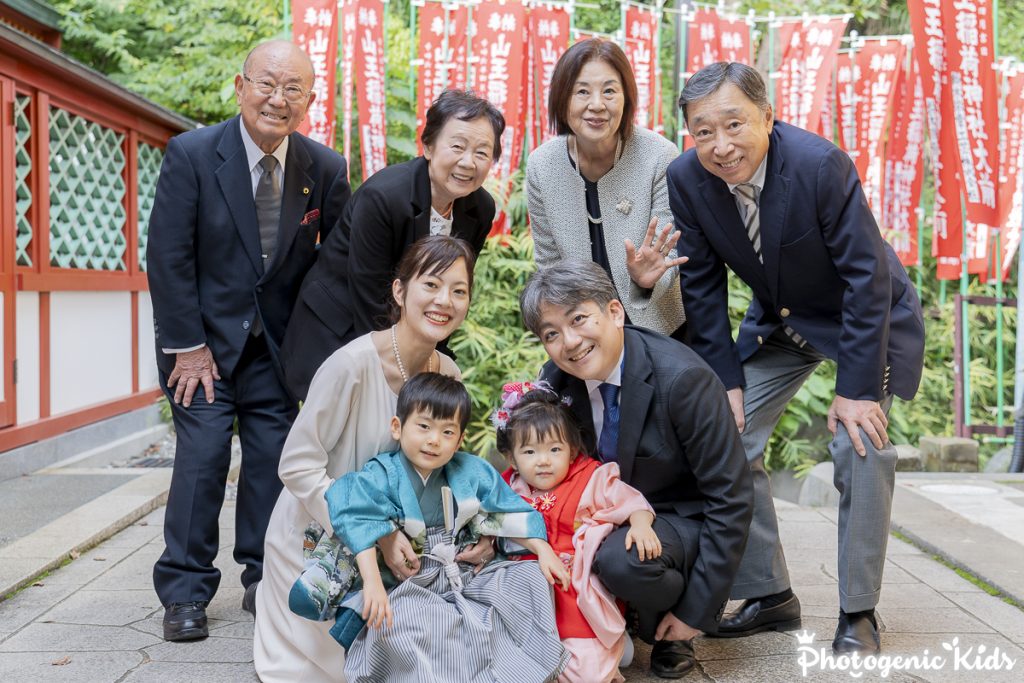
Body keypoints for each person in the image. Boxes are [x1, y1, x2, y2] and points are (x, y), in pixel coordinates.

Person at [667, 62, 926, 655]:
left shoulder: (819, 165)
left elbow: (866, 277)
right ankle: (770, 595)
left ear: (768, 116)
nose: (720, 145)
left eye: (734, 124)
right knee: (726, 434)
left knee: (861, 443)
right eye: (703, 131)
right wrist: (725, 382)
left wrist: (858, 390)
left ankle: (859, 611)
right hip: (780, 323)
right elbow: (703, 288)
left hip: (861, 318)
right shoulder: (686, 178)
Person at [146, 40, 350, 642]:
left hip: (278, 351)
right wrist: (186, 344)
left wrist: (316, 356)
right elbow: (168, 257)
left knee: (272, 463)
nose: (277, 98)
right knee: (204, 459)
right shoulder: (192, 153)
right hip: (201, 349)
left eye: (293, 89)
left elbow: (334, 270)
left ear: (309, 100)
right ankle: (184, 590)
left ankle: (264, 578)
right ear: (240, 86)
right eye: (266, 83)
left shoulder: (325, 168)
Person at [254, 236, 497, 682]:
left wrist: (482, 529)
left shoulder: (448, 373)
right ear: (400, 291)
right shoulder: (350, 366)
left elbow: (448, 470)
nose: (445, 301)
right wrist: (378, 535)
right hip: (324, 539)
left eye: (459, 290)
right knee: (381, 661)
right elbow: (296, 465)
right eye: (432, 285)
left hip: (407, 542)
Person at [519, 261, 754, 679]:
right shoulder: (555, 382)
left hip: (677, 520)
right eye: (551, 334)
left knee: (622, 562)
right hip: (601, 516)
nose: (570, 342)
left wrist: (695, 613)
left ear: (614, 312)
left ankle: (667, 626)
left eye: (578, 320)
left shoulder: (684, 380)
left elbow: (731, 498)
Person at [289, 373, 569, 682]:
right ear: (398, 427)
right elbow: (357, 517)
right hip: (409, 581)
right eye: (424, 426)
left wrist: (543, 551)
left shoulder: (471, 470)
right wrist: (372, 582)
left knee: (529, 579)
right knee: (414, 620)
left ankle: (522, 670)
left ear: (460, 439)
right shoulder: (382, 472)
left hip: (462, 571)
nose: (434, 440)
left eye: (447, 431)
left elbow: (507, 510)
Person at [281, 89, 503, 400]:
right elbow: (369, 294)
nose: (468, 162)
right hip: (340, 328)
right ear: (428, 146)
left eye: (482, 152)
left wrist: (432, 357)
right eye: (457, 146)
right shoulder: (384, 197)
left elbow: (450, 287)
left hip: (403, 335)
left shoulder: (480, 208)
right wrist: (402, 370)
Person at [494, 381, 657, 683]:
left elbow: (626, 498)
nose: (543, 460)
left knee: (586, 674)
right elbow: (490, 522)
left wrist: (640, 522)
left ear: (571, 451)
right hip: (523, 589)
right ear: (512, 459)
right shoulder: (507, 487)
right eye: (529, 451)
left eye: (554, 449)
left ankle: (607, 649)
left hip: (572, 588)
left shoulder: (589, 478)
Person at [526, 39, 687, 342]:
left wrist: (645, 280)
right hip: (583, 336)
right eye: (582, 91)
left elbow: (669, 252)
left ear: (626, 99)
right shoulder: (541, 166)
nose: (597, 104)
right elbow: (548, 265)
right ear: (562, 99)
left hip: (659, 331)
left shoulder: (659, 156)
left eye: (610, 91)